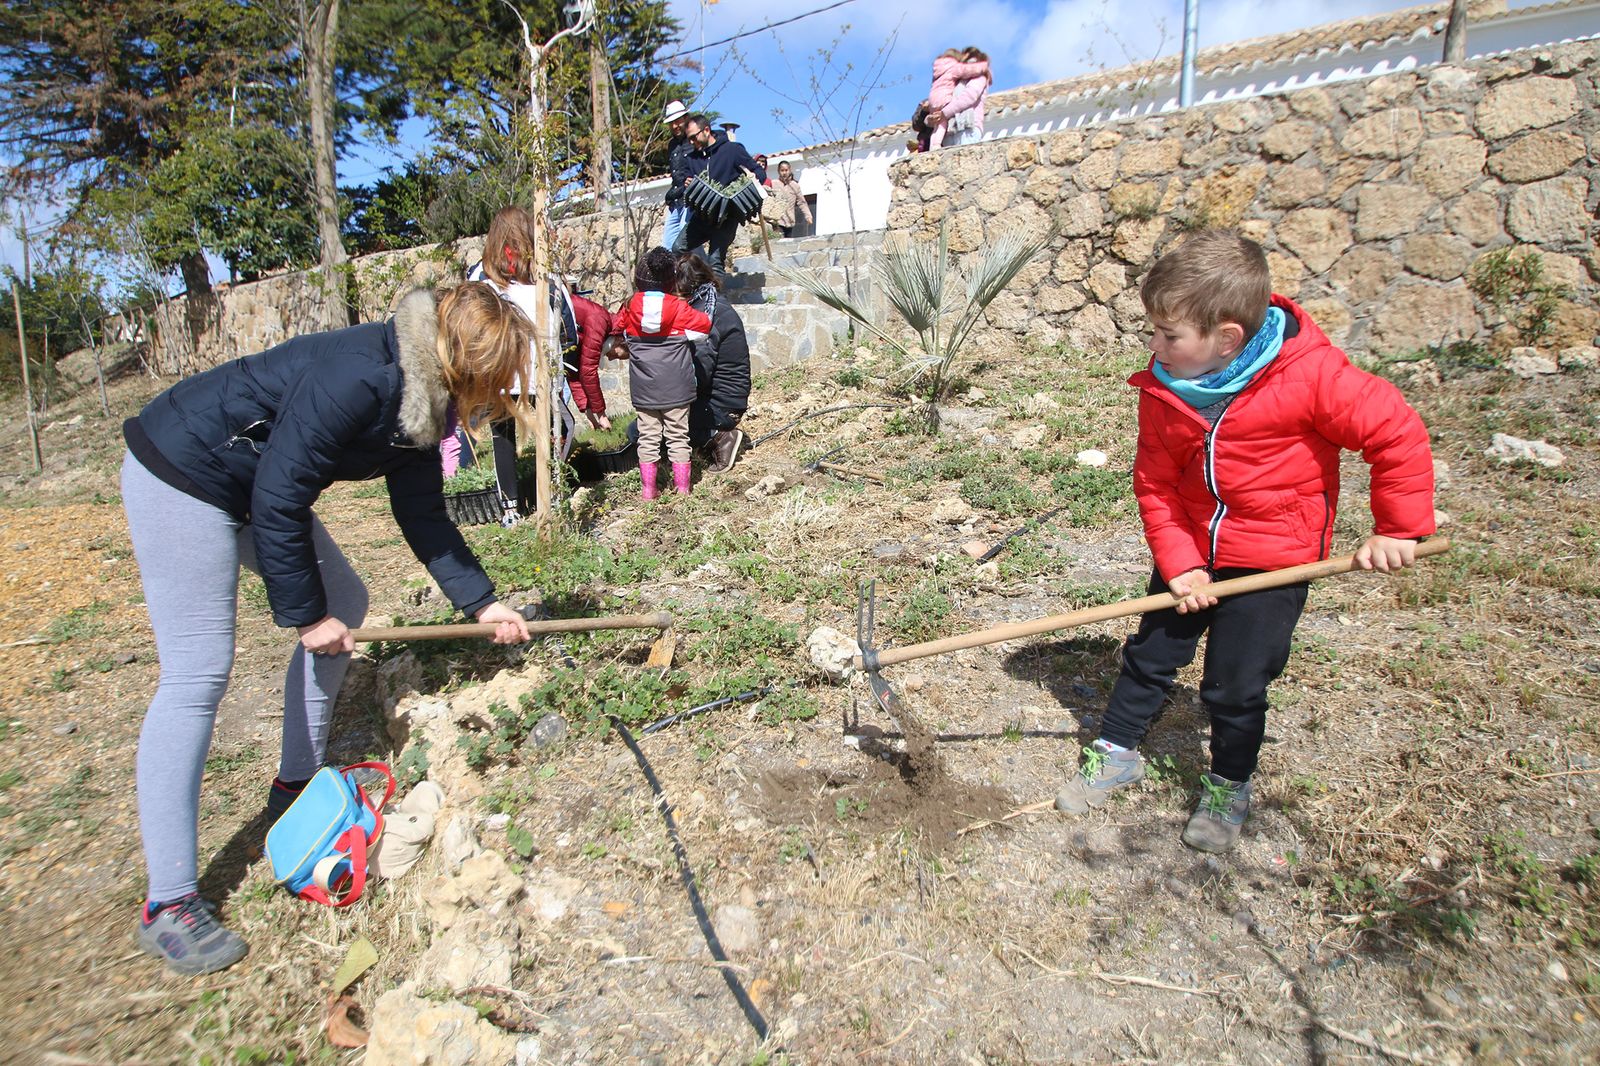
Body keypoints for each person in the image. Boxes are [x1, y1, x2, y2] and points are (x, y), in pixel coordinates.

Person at [121, 282, 535, 975]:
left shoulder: (417, 398)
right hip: (184, 467)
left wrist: (483, 604)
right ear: (464, 366)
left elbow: (424, 515)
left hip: (248, 477)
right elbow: (281, 496)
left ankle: (295, 784)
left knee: (347, 596)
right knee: (199, 671)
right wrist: (307, 618)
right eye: (493, 385)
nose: (494, 402)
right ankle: (168, 904)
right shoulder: (360, 378)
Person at [1054, 230, 1435, 854]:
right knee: (1150, 654)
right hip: (1193, 558)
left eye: (1169, 335)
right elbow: (1154, 481)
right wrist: (1180, 565)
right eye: (1153, 330)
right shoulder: (1166, 386)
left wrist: (1398, 528)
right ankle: (1117, 753)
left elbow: (1396, 432)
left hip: (1274, 563)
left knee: (1235, 683)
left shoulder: (1312, 378)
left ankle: (1229, 784)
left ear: (1226, 338)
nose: (1155, 346)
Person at [466, 207, 580, 517]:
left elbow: (468, 322)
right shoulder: (547, 276)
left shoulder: (478, 276)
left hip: (499, 369)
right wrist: (566, 360)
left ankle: (510, 510)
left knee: (502, 435)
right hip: (541, 368)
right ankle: (554, 493)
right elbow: (569, 327)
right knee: (558, 426)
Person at [612, 247, 711, 498]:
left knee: (648, 437)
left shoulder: (630, 306)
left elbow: (615, 326)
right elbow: (704, 326)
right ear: (671, 280)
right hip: (678, 387)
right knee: (678, 436)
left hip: (645, 388)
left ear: (639, 279)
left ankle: (648, 491)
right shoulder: (679, 307)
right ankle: (682, 490)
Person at [676, 252, 751, 473]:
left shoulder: (707, 314)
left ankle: (718, 437)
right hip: (723, 398)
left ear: (686, 288)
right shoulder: (709, 303)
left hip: (722, 404)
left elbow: (700, 370)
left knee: (658, 426)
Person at [680, 112, 766, 282]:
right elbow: (685, 179)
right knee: (678, 248)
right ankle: (694, 287)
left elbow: (759, 172)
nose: (691, 142)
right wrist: (687, 183)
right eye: (688, 139)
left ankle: (715, 303)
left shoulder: (732, 150)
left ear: (706, 130)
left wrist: (750, 184)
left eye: (694, 137)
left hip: (728, 217)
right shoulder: (691, 159)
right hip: (702, 216)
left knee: (715, 261)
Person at [567, 284, 613, 433]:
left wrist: (591, 417)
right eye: (618, 355)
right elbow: (587, 372)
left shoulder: (586, 332)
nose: (612, 358)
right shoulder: (599, 321)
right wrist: (601, 415)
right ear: (619, 341)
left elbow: (574, 371)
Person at [927, 47, 991, 149]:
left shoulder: (979, 76)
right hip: (952, 129)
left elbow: (969, 97)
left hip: (968, 128)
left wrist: (944, 113)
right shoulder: (956, 79)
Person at [660, 100, 693, 252]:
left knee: (683, 245)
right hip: (676, 201)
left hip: (691, 200)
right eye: (671, 123)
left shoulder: (694, 140)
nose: (675, 126)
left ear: (685, 118)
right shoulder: (672, 145)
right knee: (668, 248)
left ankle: (704, 274)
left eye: (677, 121)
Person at [761, 160, 813, 238]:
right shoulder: (773, 183)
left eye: (786, 170)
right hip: (777, 221)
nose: (784, 173)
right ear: (778, 171)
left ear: (790, 170)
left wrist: (808, 216)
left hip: (789, 222)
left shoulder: (795, 186)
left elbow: (801, 202)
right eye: (782, 170)